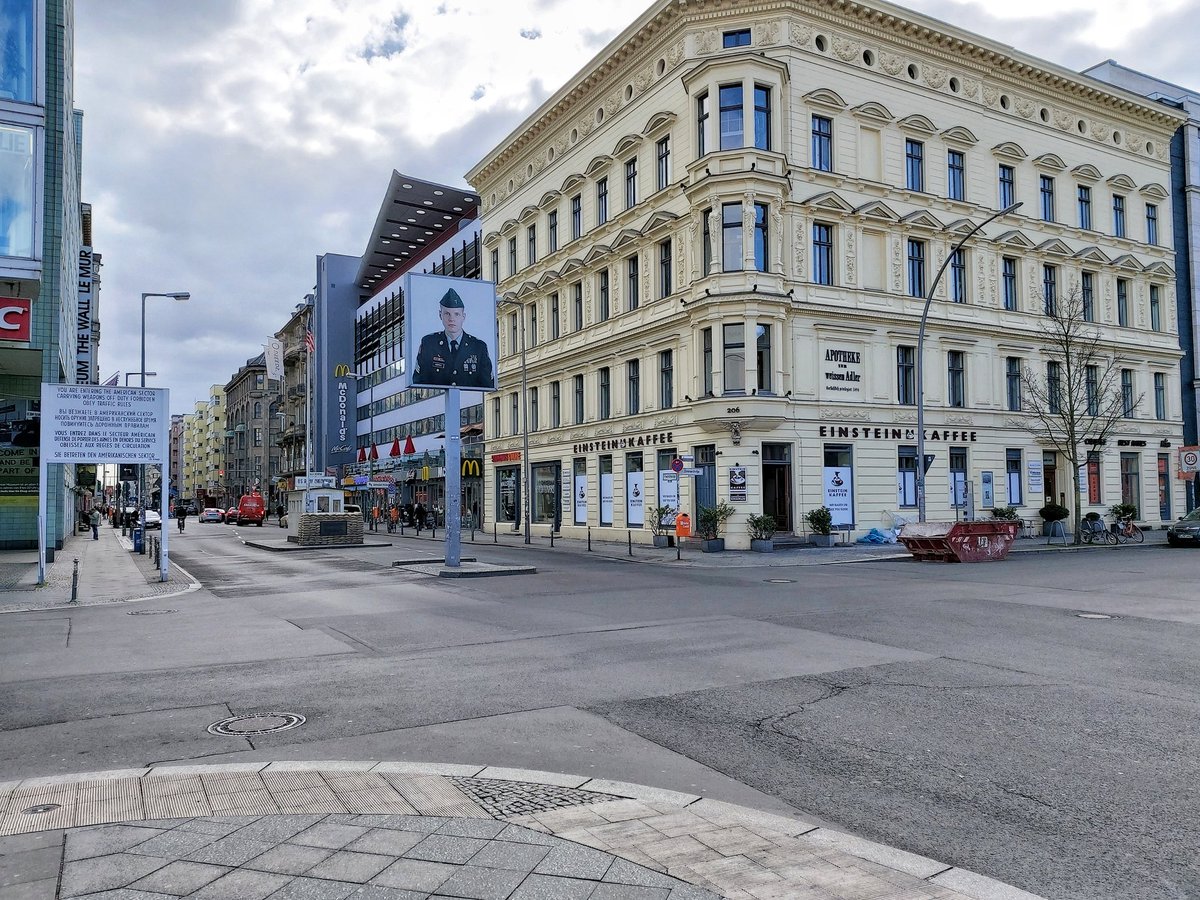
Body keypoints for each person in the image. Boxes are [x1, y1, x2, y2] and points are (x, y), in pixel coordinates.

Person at [413, 288, 493, 388]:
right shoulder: (429, 343)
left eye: (456, 314)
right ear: (440, 315)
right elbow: (419, 380)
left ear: (463, 317)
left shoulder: (478, 347)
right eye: (447, 314)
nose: (451, 319)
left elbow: (488, 384)